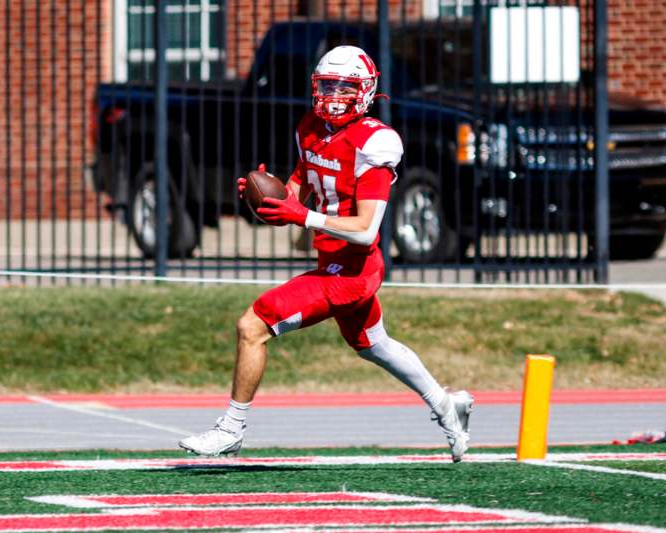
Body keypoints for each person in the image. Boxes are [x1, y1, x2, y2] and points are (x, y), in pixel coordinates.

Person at [178, 45, 474, 462]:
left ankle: (231, 429)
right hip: (330, 259)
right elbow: (295, 198)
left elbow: (366, 229)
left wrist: (302, 216)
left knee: (253, 325)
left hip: (352, 271)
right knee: (373, 344)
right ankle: (448, 405)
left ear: (366, 91)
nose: (334, 95)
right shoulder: (310, 129)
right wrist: (268, 203)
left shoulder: (375, 141)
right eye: (327, 85)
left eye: (345, 86)